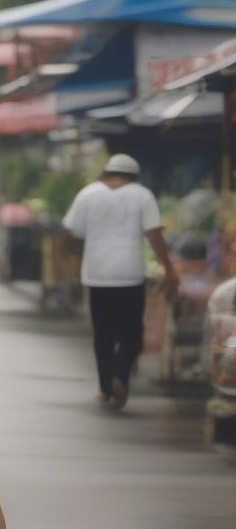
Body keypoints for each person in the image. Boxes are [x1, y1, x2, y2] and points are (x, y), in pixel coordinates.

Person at [64, 154, 178, 410]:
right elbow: (153, 234)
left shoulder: (88, 193)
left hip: (97, 273)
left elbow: (74, 230)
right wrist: (168, 267)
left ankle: (105, 388)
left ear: (107, 172)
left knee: (103, 333)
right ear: (134, 175)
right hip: (129, 274)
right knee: (131, 333)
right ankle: (120, 375)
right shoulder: (142, 195)